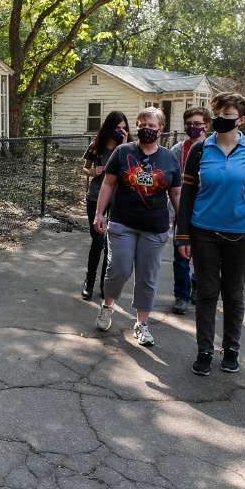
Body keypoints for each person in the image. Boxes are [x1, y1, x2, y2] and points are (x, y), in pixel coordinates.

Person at [175, 93, 245, 376]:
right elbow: (187, 195)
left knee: (233, 294)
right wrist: (182, 235)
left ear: (242, 120)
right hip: (203, 231)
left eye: (228, 115)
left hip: (242, 234)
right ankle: (204, 351)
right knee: (207, 293)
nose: (221, 119)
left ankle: (231, 349)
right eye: (218, 113)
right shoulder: (200, 150)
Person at [93, 107, 182, 346]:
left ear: (160, 130)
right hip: (123, 222)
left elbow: (175, 193)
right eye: (142, 124)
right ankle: (108, 306)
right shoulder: (123, 152)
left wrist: (183, 227)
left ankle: (141, 324)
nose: (146, 129)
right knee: (119, 269)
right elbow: (108, 184)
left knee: (147, 276)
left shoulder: (169, 158)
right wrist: (99, 213)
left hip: (154, 227)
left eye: (151, 126)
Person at [81, 112, 132, 300]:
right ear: (109, 127)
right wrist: (92, 171)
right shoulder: (97, 146)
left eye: (123, 128)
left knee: (111, 244)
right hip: (95, 198)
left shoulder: (128, 149)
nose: (120, 131)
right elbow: (84, 168)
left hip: (118, 201)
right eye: (117, 128)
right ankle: (89, 281)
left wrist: (125, 144)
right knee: (98, 241)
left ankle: (105, 284)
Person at [168, 107, 211, 314]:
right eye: (189, 123)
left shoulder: (213, 149)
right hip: (183, 210)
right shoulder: (178, 150)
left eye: (197, 123)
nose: (193, 127)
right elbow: (171, 183)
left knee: (204, 255)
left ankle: (197, 285)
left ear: (206, 125)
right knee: (181, 255)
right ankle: (181, 295)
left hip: (208, 211)